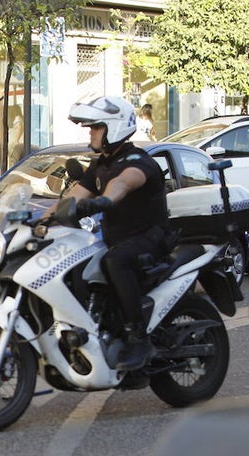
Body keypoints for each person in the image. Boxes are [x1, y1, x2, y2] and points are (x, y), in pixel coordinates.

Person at [49, 95, 169, 371]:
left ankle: (139, 338)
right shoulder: (101, 163)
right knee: (77, 263)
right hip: (116, 239)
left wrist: (104, 200)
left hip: (150, 238)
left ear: (113, 128)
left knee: (115, 261)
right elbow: (74, 196)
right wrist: (33, 219)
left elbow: (123, 183)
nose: (90, 133)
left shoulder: (139, 161)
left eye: (95, 127)